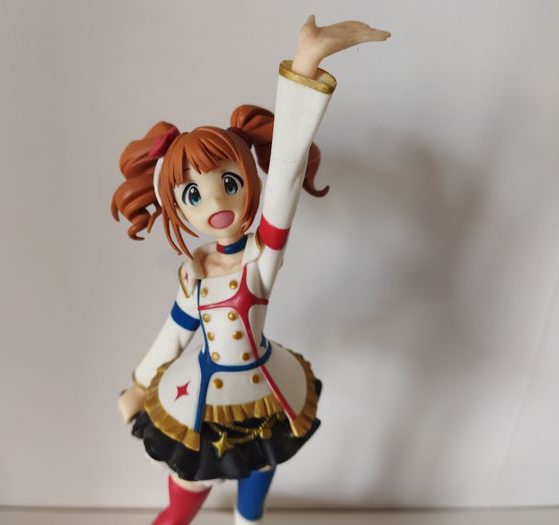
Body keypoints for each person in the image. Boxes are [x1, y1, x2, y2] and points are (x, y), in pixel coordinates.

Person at [112, 15, 390, 525]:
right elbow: (173, 335)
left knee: (251, 510)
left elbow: (285, 177)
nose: (216, 202)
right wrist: (138, 383)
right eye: (193, 194)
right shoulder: (193, 277)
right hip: (196, 405)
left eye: (229, 183)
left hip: (264, 399)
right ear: (176, 208)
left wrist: (305, 65)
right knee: (179, 507)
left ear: (248, 181)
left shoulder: (260, 260)